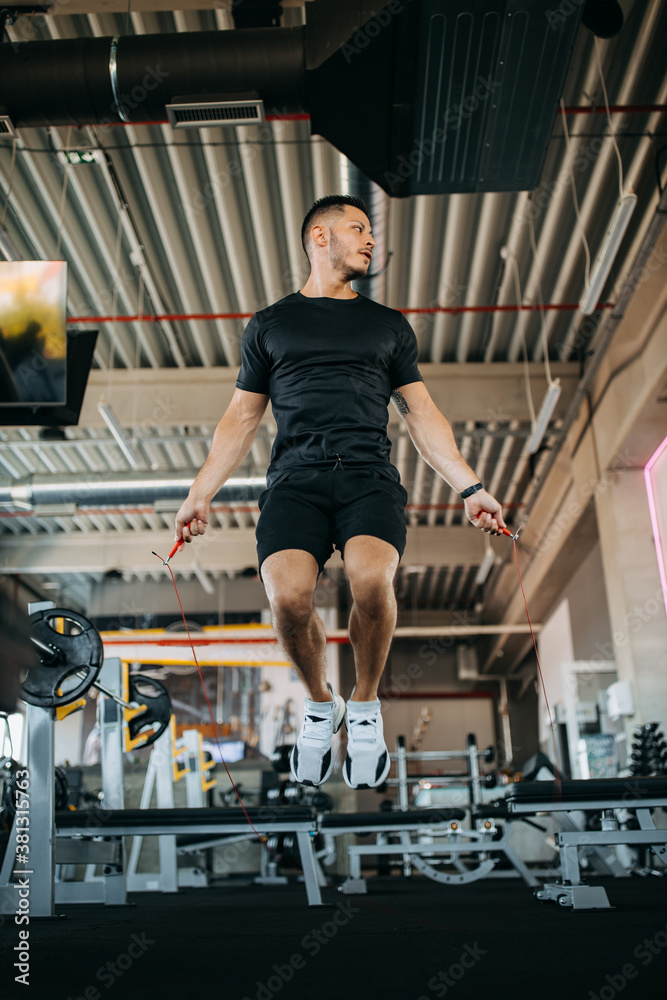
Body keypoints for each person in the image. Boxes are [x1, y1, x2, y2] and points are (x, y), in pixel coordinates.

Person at [174, 194, 506, 790]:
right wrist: (201, 492)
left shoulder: (386, 326)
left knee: (372, 581)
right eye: (358, 229)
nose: (371, 240)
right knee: (289, 600)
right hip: (294, 483)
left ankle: (367, 704)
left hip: (366, 478)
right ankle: (320, 705)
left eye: (370, 231)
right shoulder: (270, 325)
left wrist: (470, 486)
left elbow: (423, 415)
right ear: (319, 238)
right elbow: (240, 419)